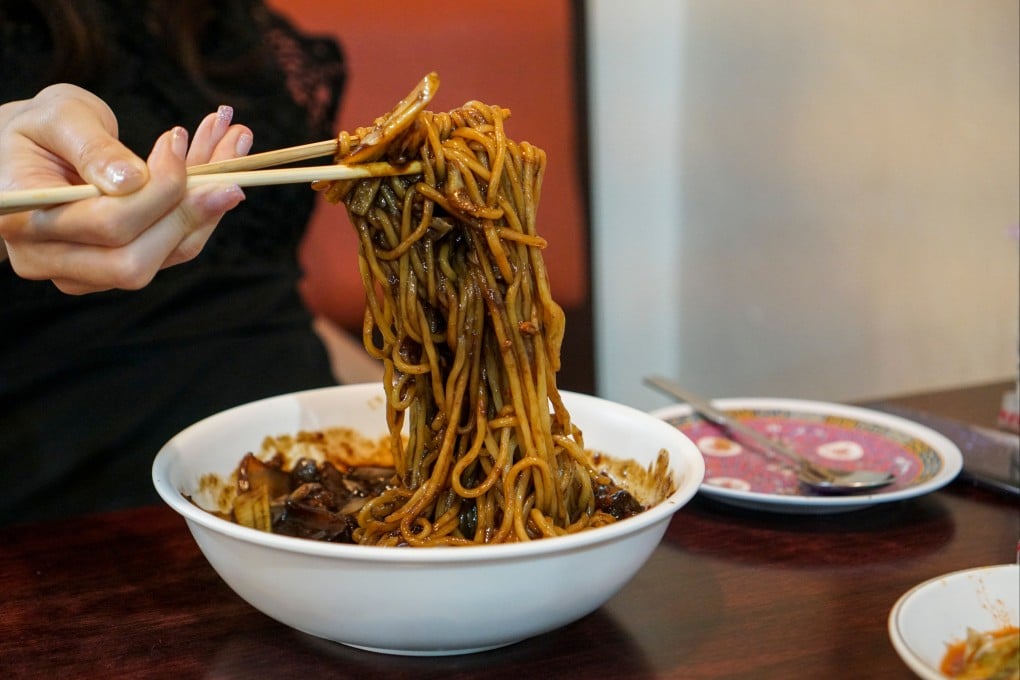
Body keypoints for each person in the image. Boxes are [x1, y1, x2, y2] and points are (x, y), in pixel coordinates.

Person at [0, 0, 354, 524]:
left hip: (329, 483)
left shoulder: (229, 23)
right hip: (73, 524)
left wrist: (424, 403)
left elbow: (262, 297)